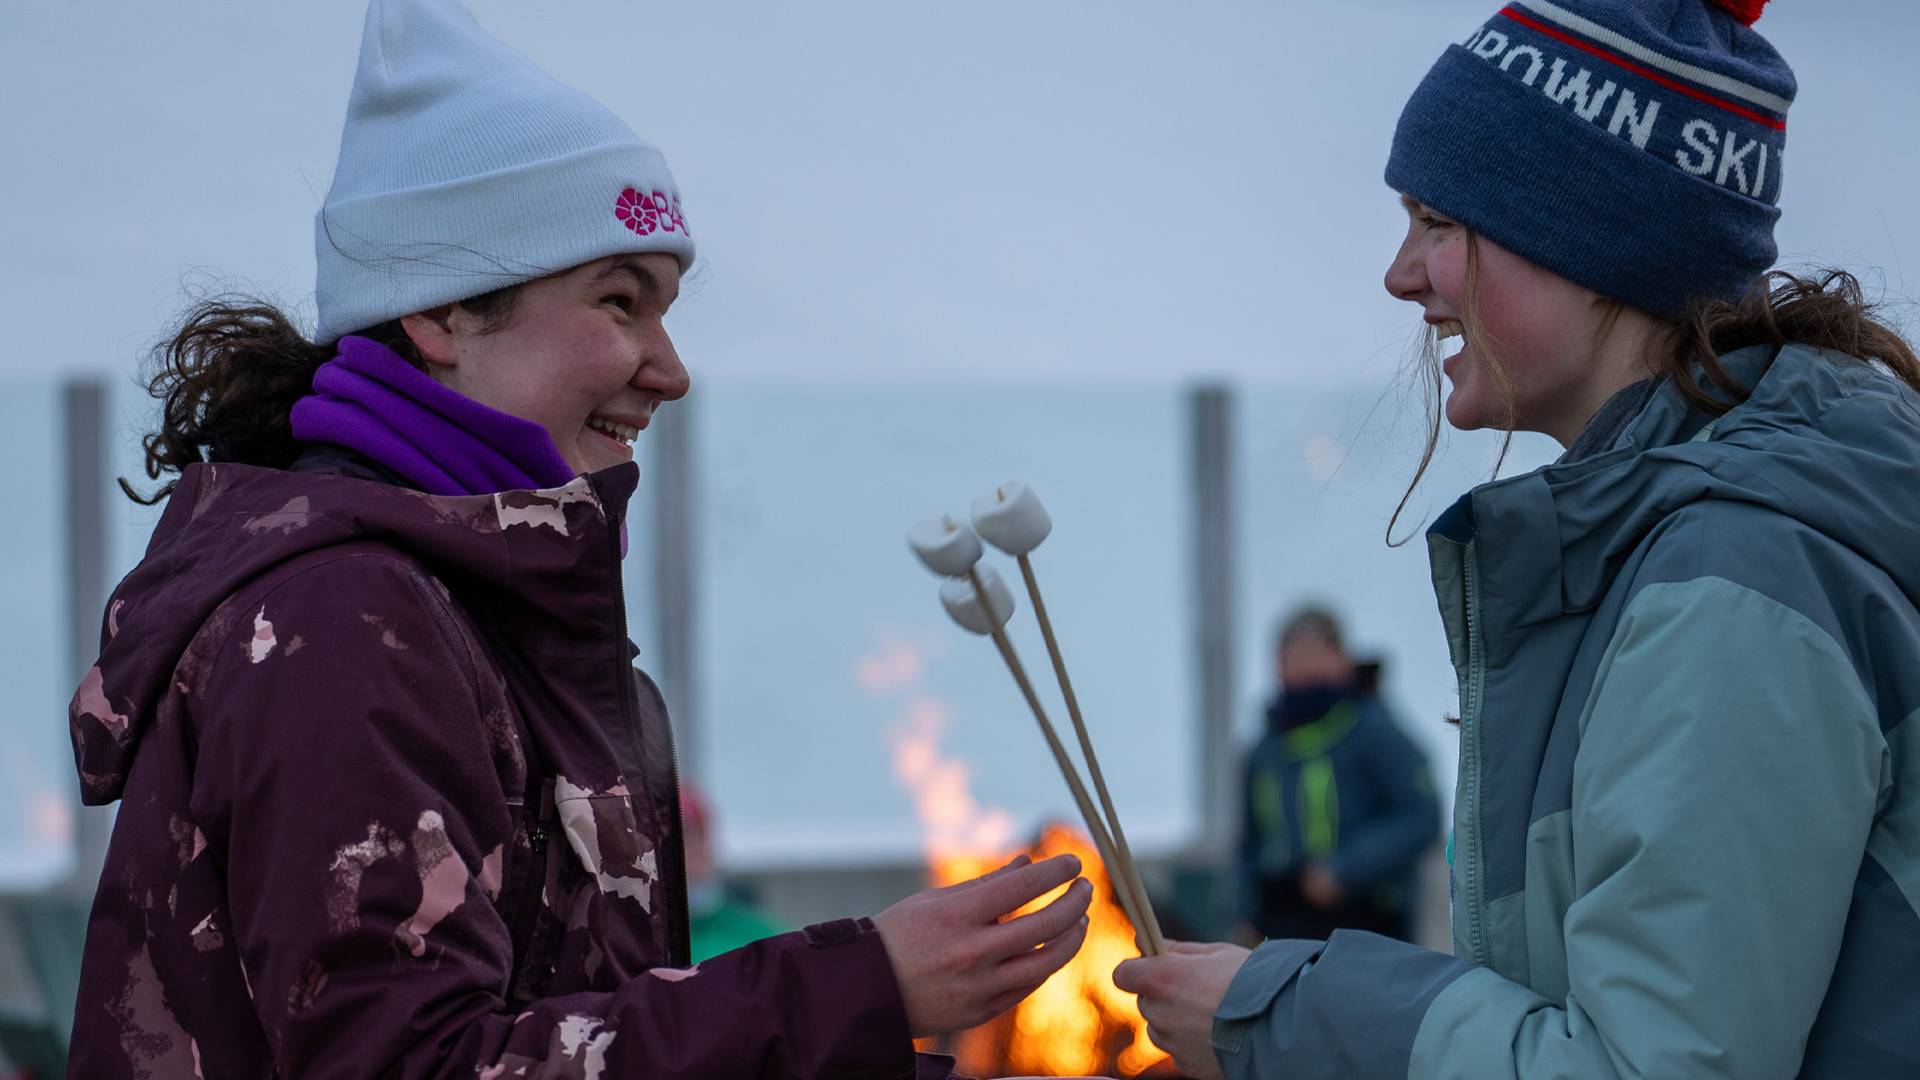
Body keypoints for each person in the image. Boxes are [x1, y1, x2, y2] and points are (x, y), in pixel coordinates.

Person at [63, 2, 1091, 1076]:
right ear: (440, 311)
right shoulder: (343, 620)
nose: (672, 365)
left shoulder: (505, 613)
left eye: (667, 307)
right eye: (620, 300)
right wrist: (851, 986)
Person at [1116, 1, 1920, 1077]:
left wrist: (1286, 1015)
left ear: (1592, 243)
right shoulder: (1702, 541)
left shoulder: (1734, 581)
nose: (1403, 276)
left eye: (1439, 224)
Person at [1235, 607, 1436, 945]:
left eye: (1316, 653)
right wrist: (1242, 913)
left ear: (1343, 659)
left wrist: (1343, 871)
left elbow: (1420, 817)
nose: (1306, 667)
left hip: (1367, 925)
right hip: (1282, 929)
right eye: (1294, 656)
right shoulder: (1265, 751)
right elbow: (1247, 843)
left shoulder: (1376, 732)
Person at [679, 783, 787, 963]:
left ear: (706, 843)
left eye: (688, 839)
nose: (681, 856)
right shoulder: (631, 947)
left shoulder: (760, 938)